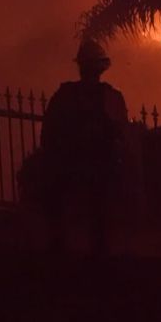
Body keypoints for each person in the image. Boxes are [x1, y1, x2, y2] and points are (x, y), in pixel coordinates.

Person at [40, 39, 128, 256]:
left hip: (73, 164)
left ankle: (62, 252)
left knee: (65, 213)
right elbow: (121, 133)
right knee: (98, 216)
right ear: (101, 68)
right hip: (96, 165)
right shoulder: (111, 96)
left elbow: (49, 131)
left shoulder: (65, 95)